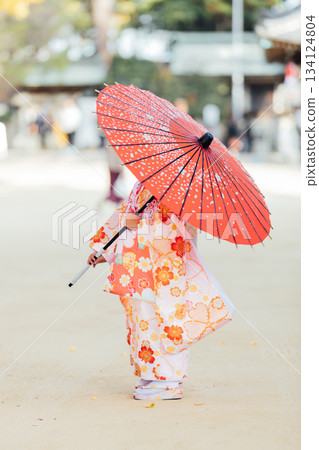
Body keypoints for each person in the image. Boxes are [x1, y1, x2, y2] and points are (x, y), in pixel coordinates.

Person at [87, 181, 235, 400]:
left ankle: (169, 380)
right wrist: (106, 251)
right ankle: (150, 373)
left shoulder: (183, 190)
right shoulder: (141, 186)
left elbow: (183, 229)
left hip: (168, 270)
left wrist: (142, 223)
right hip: (138, 265)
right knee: (141, 320)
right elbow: (124, 216)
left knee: (168, 320)